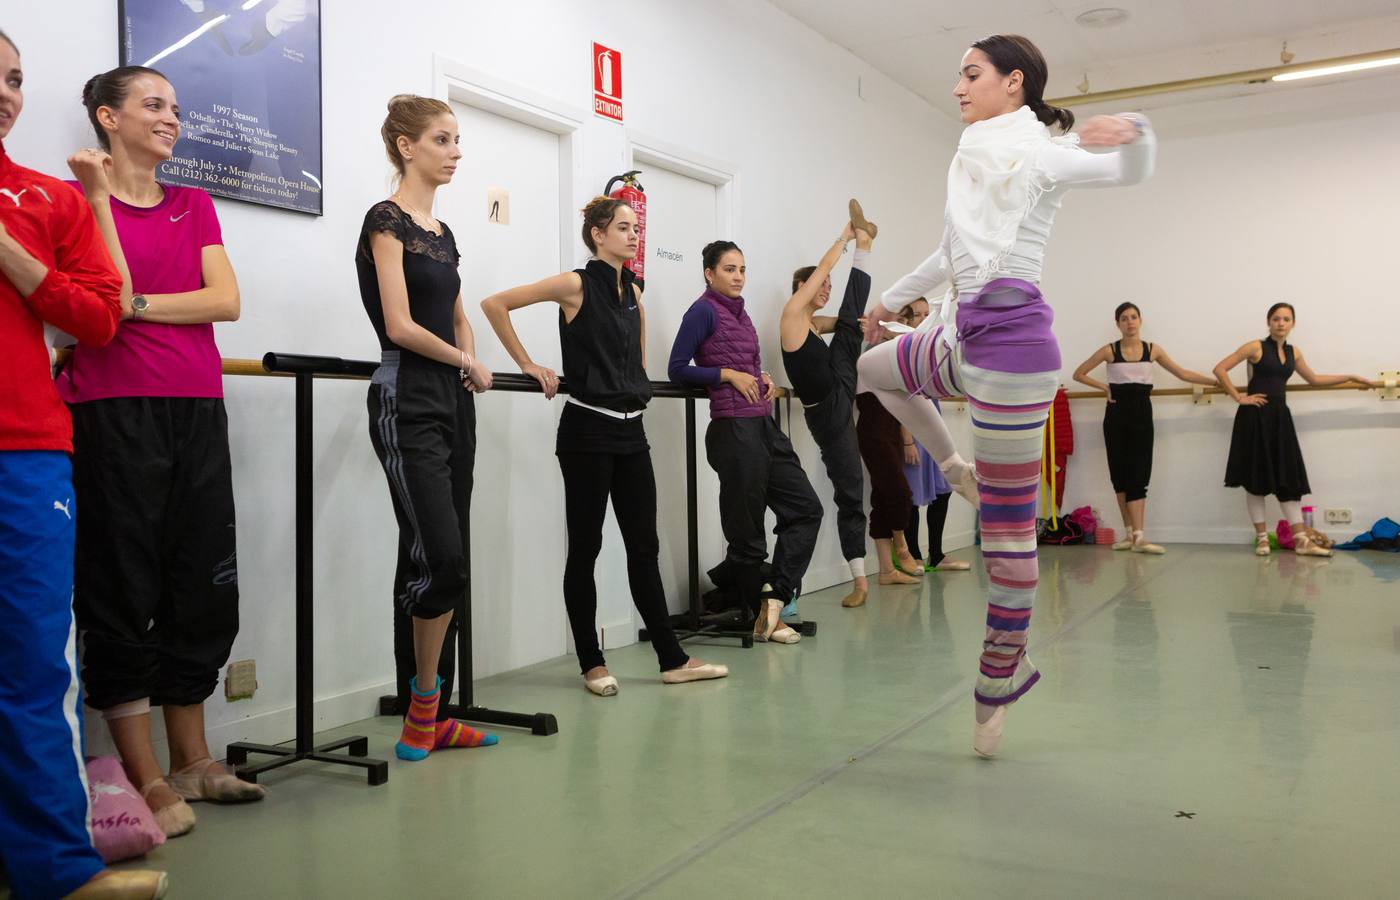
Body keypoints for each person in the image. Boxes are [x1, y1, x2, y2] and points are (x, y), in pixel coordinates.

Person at [857, 34, 1156, 757]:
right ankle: (957, 470)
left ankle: (997, 678)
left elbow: (1127, 174)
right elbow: (950, 248)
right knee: (869, 369)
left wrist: (1139, 132)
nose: (957, 87)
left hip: (1015, 353)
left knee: (1009, 542)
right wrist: (886, 305)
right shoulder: (972, 158)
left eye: (970, 74)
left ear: (1013, 83)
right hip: (959, 340)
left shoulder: (1038, 152)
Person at [61, 64, 261, 840]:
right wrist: (102, 201)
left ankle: (193, 759)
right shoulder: (77, 198)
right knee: (122, 582)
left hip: (195, 406)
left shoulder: (194, 202)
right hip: (111, 411)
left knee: (200, 582)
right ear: (108, 119)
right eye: (153, 105)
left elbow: (226, 301)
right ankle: (141, 772)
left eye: (175, 107)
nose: (172, 118)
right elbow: (101, 297)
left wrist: (141, 306)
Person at [0, 29, 168, 900]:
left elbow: (100, 319)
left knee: (32, 666)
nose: (6, 92)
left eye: (16, 79)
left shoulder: (45, 198)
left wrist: (12, 254)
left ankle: (54, 870)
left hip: (24, 454)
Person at [480, 196, 727, 695]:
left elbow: (634, 353)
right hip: (586, 432)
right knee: (586, 548)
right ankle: (591, 663)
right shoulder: (575, 283)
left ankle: (671, 658)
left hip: (631, 432)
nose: (634, 236)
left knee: (644, 548)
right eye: (623, 227)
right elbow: (495, 304)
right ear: (597, 234)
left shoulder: (633, 289)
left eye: (636, 228)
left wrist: (632, 376)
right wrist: (530, 363)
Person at [357, 95, 497, 760]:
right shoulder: (384, 222)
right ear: (406, 146)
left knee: (449, 559)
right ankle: (422, 709)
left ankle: (432, 715)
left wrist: (470, 359)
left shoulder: (441, 235)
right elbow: (401, 325)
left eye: (457, 140)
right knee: (437, 558)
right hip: (404, 399)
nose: (455, 151)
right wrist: (465, 358)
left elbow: (456, 312)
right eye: (443, 139)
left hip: (451, 403)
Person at [668, 241, 822, 644]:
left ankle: (775, 598)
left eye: (741, 269)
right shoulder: (702, 311)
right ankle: (760, 617)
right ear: (709, 274)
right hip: (733, 430)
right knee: (748, 534)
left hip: (763, 427)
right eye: (729, 269)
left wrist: (762, 377)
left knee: (806, 509)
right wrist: (727, 375)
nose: (738, 276)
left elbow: (748, 363)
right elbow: (678, 367)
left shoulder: (742, 314)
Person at [1213, 302, 1377, 557]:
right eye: (1276, 318)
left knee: (1288, 477)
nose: (1281, 323)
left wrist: (1349, 377)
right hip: (1255, 417)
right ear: (1269, 322)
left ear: (1293, 323)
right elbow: (1220, 369)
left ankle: (1301, 540)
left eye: (1286, 319)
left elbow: (1314, 379)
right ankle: (1261, 538)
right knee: (1256, 480)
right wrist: (1239, 397)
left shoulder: (1294, 352)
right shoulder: (1255, 346)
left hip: (1280, 418)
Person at [778, 203, 873, 608]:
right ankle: (860, 579)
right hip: (827, 411)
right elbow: (820, 269)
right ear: (801, 291)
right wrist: (844, 236)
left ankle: (868, 248)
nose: (825, 286)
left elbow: (843, 321)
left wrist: (861, 324)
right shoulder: (792, 317)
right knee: (850, 488)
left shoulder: (812, 325)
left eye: (828, 284)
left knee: (853, 322)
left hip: (837, 389)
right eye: (820, 285)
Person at [1071, 301, 1216, 554]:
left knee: (1139, 472)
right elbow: (1078, 373)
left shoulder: (1153, 350)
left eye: (1134, 317)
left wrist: (1215, 383)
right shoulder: (1109, 351)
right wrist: (1104, 387)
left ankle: (1139, 536)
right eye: (1124, 318)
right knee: (1119, 475)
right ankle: (1129, 535)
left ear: (1140, 321)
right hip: (1115, 416)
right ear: (1118, 324)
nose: (1130, 322)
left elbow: (1182, 373)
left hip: (1141, 416)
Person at [897, 298, 970, 573]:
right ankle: (913, 555)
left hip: (932, 423)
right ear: (906, 318)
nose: (923, 319)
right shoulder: (902, 349)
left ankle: (936, 554)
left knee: (943, 489)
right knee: (913, 495)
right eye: (917, 314)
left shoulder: (927, 348)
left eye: (928, 314)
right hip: (912, 428)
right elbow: (902, 398)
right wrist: (907, 440)